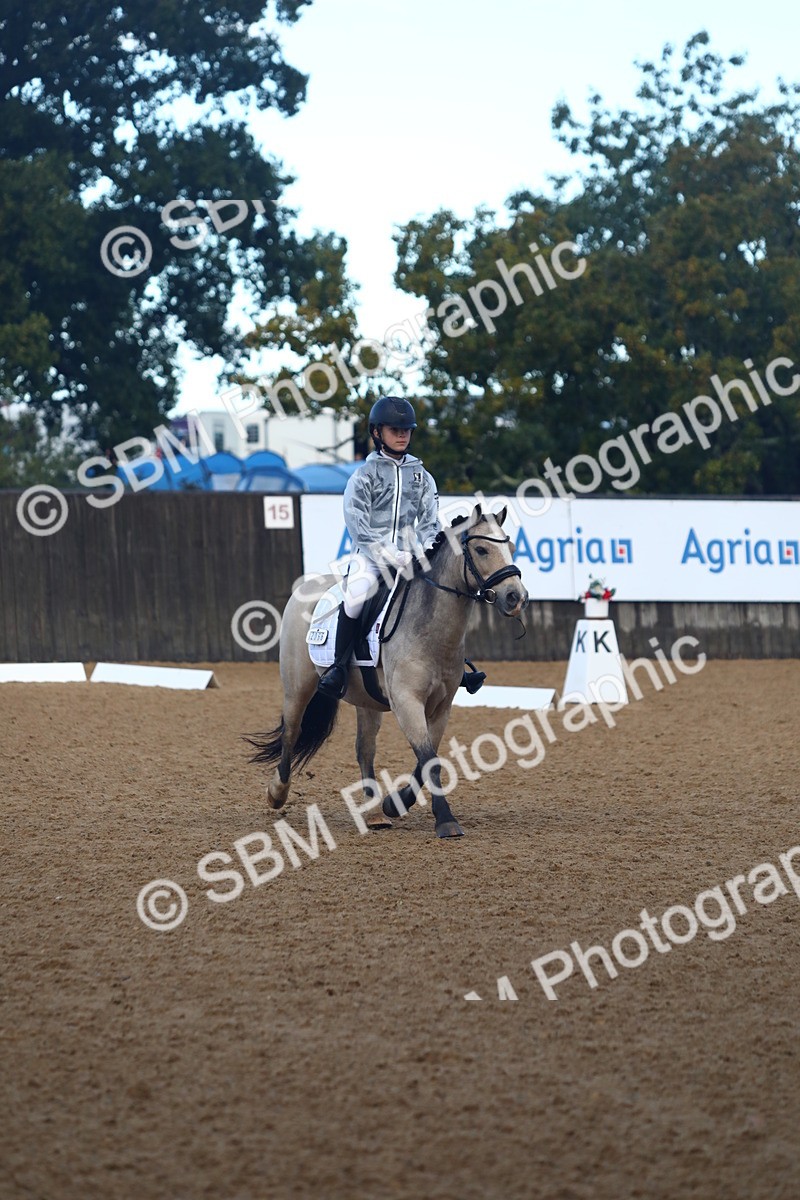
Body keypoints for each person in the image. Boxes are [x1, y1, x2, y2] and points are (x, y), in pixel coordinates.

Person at [317, 396, 485, 698]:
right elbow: (358, 525)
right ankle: (338, 668)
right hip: (371, 556)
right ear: (377, 432)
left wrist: (426, 551)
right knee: (356, 595)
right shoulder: (364, 476)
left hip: (413, 554)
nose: (402, 434)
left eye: (406, 429)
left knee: (439, 595)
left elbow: (430, 523)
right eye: (395, 429)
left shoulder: (422, 476)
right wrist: (389, 553)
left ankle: (453, 668)